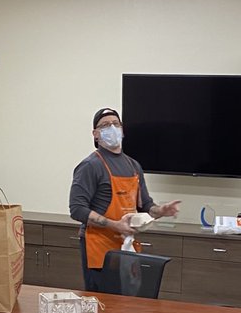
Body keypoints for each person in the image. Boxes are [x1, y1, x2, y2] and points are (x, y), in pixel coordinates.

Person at [69, 107, 180, 290]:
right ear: (95, 134)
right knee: (104, 304)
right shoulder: (90, 166)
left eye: (115, 124)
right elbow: (77, 209)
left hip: (126, 245)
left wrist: (160, 211)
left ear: (122, 130)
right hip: (100, 248)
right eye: (105, 125)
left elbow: (145, 204)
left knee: (128, 303)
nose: (111, 128)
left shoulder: (133, 165)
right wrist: (115, 225)